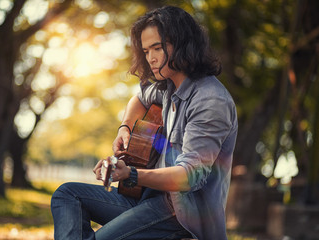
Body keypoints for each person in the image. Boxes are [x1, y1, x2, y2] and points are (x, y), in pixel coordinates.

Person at [51, 5, 238, 240]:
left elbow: (189, 176)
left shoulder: (210, 100)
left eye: (157, 48)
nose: (151, 58)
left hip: (182, 216)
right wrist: (125, 128)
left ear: (182, 43)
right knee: (67, 195)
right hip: (149, 198)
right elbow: (139, 98)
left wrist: (130, 174)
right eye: (146, 50)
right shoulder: (168, 86)